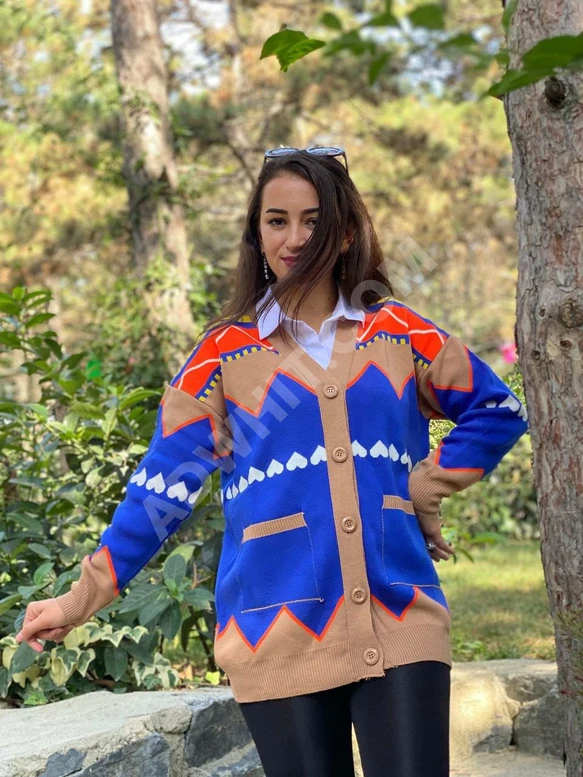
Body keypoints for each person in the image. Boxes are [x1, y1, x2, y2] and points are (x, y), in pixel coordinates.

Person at [16, 147, 529, 777]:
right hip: (273, 625)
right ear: (256, 235)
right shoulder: (221, 356)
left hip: (402, 614)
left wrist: (426, 484)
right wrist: (77, 601)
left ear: (345, 233)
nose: (295, 238)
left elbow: (497, 409)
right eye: (277, 221)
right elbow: (161, 491)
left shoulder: (399, 332)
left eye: (314, 220)